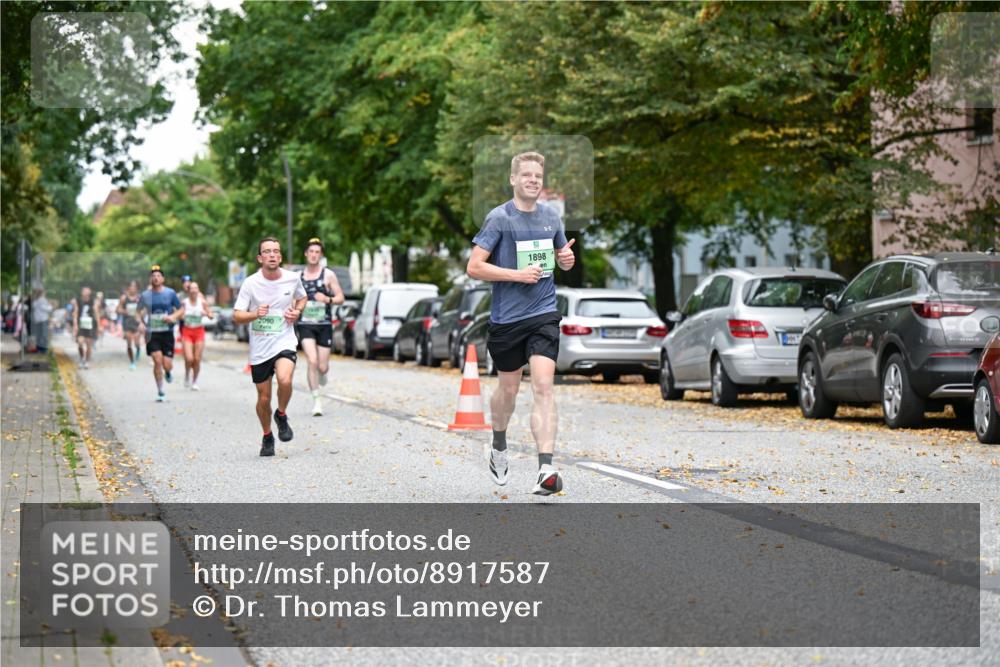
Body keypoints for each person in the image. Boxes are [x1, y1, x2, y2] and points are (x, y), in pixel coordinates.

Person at [466, 151, 576, 495]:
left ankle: (546, 467)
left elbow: (561, 259)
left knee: (543, 386)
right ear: (513, 179)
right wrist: (516, 275)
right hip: (507, 320)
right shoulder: (499, 219)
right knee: (508, 391)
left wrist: (567, 259)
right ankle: (499, 444)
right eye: (526, 175)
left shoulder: (551, 218)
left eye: (538, 176)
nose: (532, 180)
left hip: (543, 314)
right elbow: (474, 267)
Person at [232, 238, 306, 457]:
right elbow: (237, 315)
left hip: (284, 341)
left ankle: (281, 415)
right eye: (267, 252)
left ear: (280, 257)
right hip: (260, 347)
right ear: (260, 257)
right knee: (263, 399)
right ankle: (267, 436)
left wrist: (297, 311)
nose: (272, 255)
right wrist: (255, 314)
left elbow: (302, 298)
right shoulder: (250, 283)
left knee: (285, 379)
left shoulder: (293, 279)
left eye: (276, 251)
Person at [296, 238, 345, 416]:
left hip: (324, 324)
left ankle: (322, 373)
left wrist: (327, 299)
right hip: (305, 324)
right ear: (306, 254)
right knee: (312, 360)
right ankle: (316, 400)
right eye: (311, 252)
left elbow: (340, 297)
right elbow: (292, 299)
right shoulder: (298, 276)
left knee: (322, 366)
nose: (314, 255)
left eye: (317, 252)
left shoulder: (328, 275)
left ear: (321, 255)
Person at [137, 266, 182, 402]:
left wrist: (172, 317)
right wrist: (139, 323)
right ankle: (160, 390)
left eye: (158, 276)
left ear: (162, 279)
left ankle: (167, 372)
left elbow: (180, 310)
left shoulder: (170, 293)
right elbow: (138, 311)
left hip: (167, 332)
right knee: (157, 361)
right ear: (150, 279)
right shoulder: (145, 295)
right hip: (152, 333)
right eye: (153, 276)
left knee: (167, 364)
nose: (155, 278)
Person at [179, 281, 214, 390]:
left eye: (196, 288)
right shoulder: (184, 302)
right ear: (188, 291)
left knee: (197, 359)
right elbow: (178, 314)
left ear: (198, 290)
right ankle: (186, 374)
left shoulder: (202, 302)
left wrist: (207, 314)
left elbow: (211, 314)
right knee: (189, 358)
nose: (194, 290)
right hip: (187, 332)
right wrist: (182, 316)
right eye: (192, 288)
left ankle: (194, 381)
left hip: (199, 332)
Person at [72, 286, 101, 368]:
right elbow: (75, 313)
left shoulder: (93, 301)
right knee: (80, 342)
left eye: (87, 291)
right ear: (81, 292)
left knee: (89, 344)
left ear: (90, 292)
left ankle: (87, 361)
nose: (85, 292)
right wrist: (75, 325)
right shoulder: (78, 301)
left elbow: (96, 312)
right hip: (81, 325)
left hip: (91, 325)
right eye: (84, 290)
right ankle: (82, 358)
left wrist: (99, 325)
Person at [117, 280, 143, 370]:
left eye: (134, 286)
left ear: (137, 288)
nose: (133, 288)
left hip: (137, 322)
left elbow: (145, 309)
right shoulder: (124, 298)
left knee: (136, 342)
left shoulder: (140, 298)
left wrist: (140, 313)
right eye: (131, 286)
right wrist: (125, 311)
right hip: (127, 322)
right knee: (129, 342)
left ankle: (138, 349)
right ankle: (132, 362)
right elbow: (118, 309)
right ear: (128, 288)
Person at [30, 288, 52, 353]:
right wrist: (50, 306)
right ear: (42, 293)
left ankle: (39, 348)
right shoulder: (42, 300)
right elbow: (47, 309)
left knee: (39, 335)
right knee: (44, 335)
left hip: (37, 320)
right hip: (43, 320)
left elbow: (34, 307)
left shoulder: (35, 301)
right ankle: (44, 349)